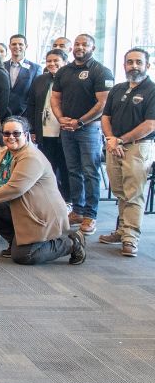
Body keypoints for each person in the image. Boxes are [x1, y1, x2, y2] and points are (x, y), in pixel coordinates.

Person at [0, 116, 86, 265]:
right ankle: (15, 242)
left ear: (26, 135)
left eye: (16, 133)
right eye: (6, 134)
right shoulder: (4, 153)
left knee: (24, 257)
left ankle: (71, 242)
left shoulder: (31, 157)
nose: (11, 137)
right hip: (21, 209)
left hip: (40, 216)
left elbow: (14, 189)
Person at [50, 33, 114, 236]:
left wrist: (80, 122)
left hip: (89, 130)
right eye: (77, 44)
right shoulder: (64, 71)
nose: (79, 47)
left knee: (90, 172)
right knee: (73, 170)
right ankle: (77, 210)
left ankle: (90, 215)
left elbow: (103, 104)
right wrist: (61, 119)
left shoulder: (101, 71)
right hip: (67, 128)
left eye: (84, 44)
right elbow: (55, 98)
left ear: (92, 48)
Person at [99, 48, 155, 257]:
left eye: (138, 62)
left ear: (147, 66)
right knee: (120, 192)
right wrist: (112, 139)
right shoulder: (118, 89)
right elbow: (106, 117)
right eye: (130, 62)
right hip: (115, 146)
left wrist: (121, 140)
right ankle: (122, 230)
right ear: (124, 65)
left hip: (138, 147)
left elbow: (150, 125)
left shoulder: (152, 90)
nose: (134, 66)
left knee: (133, 193)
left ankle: (131, 237)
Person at [26, 49, 70, 201]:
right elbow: (31, 104)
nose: (52, 64)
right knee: (47, 167)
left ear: (65, 62)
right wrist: (31, 129)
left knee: (65, 168)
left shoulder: (70, 79)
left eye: (56, 61)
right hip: (44, 131)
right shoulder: (40, 80)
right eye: (49, 61)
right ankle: (48, 199)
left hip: (65, 132)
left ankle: (67, 199)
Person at [5, 34, 42, 118]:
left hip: (24, 114)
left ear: (26, 46)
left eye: (20, 44)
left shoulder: (35, 68)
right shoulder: (1, 67)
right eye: (14, 44)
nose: (17, 46)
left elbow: (36, 94)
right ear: (9, 46)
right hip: (3, 113)